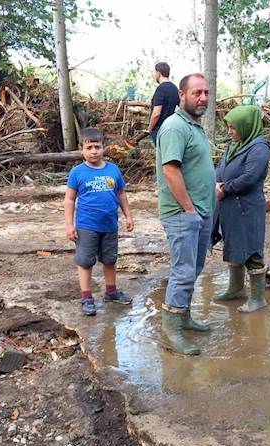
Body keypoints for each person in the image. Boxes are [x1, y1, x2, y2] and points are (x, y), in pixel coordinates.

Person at [155, 73, 216, 356]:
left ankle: (184, 316)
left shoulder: (195, 126)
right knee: (182, 272)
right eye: (196, 93)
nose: (203, 98)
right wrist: (190, 210)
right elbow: (170, 170)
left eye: (206, 92)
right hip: (182, 214)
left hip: (200, 213)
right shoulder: (174, 127)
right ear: (182, 96)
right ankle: (172, 332)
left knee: (194, 270)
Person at [64, 127, 134, 316]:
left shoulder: (113, 170)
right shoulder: (77, 173)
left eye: (97, 147)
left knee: (110, 260)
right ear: (81, 150)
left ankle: (111, 292)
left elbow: (121, 194)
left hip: (110, 225)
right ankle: (86, 297)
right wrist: (69, 225)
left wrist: (128, 215)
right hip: (87, 226)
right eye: (89, 148)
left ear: (104, 148)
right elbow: (69, 199)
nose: (93, 151)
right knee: (85, 261)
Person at [211, 105, 270, 313]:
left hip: (247, 207)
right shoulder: (234, 144)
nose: (230, 131)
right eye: (228, 127)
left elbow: (250, 177)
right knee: (234, 245)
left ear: (246, 126)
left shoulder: (259, 148)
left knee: (251, 249)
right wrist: (216, 183)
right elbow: (221, 167)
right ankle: (236, 290)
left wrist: (225, 188)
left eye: (233, 127)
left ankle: (258, 298)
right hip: (229, 206)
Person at [146, 62, 180, 145]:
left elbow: (156, 113)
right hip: (173, 129)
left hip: (160, 130)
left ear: (158, 73)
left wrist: (150, 129)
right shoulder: (175, 89)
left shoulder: (161, 89)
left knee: (162, 156)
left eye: (155, 73)